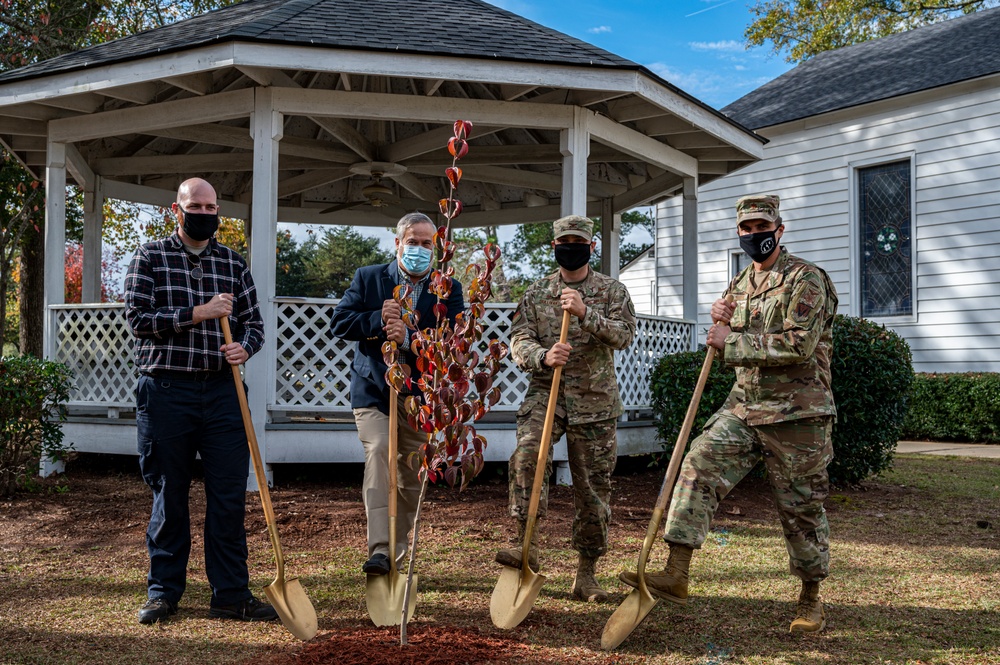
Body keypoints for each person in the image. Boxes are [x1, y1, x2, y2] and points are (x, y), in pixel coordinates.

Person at [618, 194, 838, 633]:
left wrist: (729, 340)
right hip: (744, 407)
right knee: (698, 463)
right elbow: (728, 350)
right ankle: (676, 573)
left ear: (779, 230)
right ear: (739, 233)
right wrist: (720, 327)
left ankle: (811, 599)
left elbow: (798, 345)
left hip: (796, 414)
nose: (754, 235)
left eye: (762, 227)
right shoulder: (738, 285)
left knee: (800, 508)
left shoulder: (806, 279)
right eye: (747, 229)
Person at [124, 177, 277, 625]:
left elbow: (255, 325)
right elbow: (137, 319)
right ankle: (163, 593)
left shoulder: (232, 262)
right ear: (177, 209)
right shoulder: (150, 256)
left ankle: (230, 594)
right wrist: (198, 314)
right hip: (166, 391)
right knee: (170, 495)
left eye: (212, 208)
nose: (206, 214)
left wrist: (244, 348)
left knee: (228, 497)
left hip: (224, 392)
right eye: (197, 206)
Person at [496, 214, 636, 602]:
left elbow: (624, 336)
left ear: (591, 248)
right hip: (547, 394)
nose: (570, 248)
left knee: (592, 489)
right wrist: (542, 355)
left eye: (578, 242)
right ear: (554, 247)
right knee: (526, 457)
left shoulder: (612, 291)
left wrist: (585, 314)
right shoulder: (537, 292)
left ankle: (586, 574)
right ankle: (528, 547)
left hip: (594, 401)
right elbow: (517, 340)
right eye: (564, 241)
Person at [330, 212, 464, 576]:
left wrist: (410, 340)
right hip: (374, 389)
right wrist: (376, 318)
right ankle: (379, 550)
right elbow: (339, 322)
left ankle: (396, 551)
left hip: (420, 397)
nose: (418, 249)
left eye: (426, 244)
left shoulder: (448, 289)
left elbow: (454, 343)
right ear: (398, 243)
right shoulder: (370, 277)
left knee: (409, 472)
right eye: (413, 242)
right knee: (379, 452)